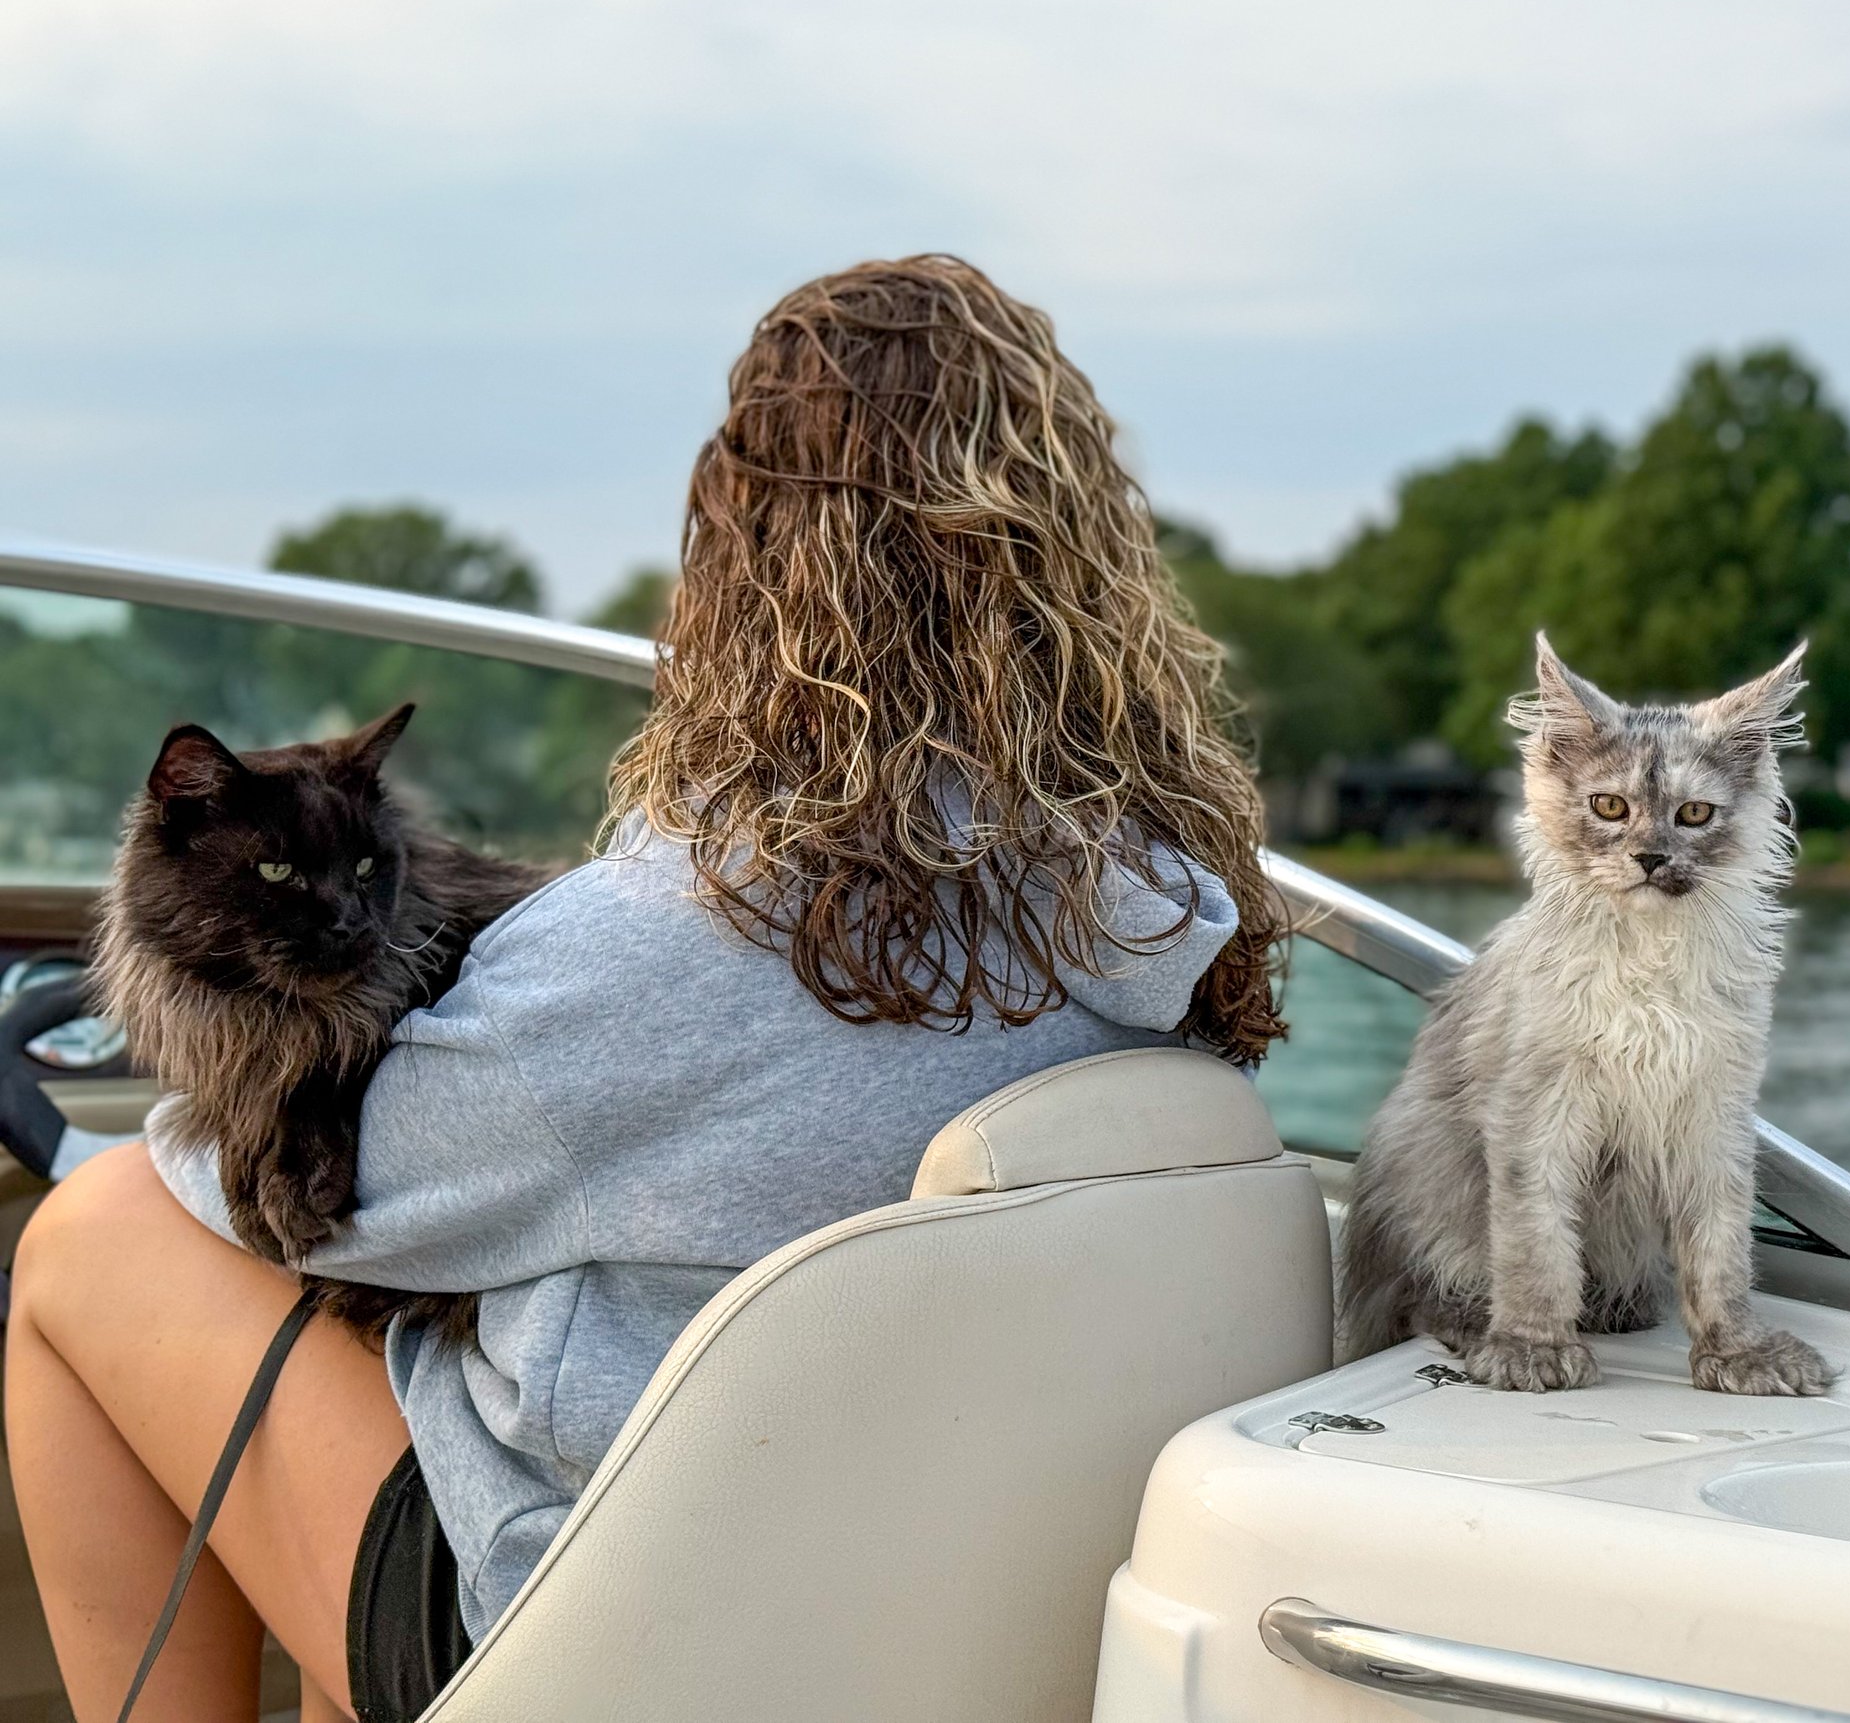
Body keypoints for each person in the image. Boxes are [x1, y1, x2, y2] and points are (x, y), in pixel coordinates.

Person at [4, 257, 1285, 1723]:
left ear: (738, 558)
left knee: (92, 1233)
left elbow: (333, 1201)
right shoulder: (1153, 914)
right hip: (952, 1629)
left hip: (613, 1641)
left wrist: (104, 1141)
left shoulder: (658, 951)